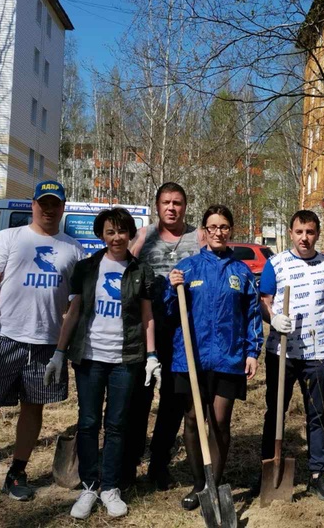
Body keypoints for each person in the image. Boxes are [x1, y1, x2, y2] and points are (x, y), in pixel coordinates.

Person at [0, 181, 85, 521]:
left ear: (63, 207)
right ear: (33, 204)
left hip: (45, 346)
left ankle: (16, 473)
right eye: (43, 203)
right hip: (4, 340)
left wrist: (61, 351)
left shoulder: (73, 249)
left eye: (55, 204)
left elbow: (75, 306)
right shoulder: (9, 238)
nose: (49, 210)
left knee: (33, 407)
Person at [44, 207, 159, 519]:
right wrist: (59, 351)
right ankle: (89, 485)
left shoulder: (140, 270)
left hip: (126, 358)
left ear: (130, 233)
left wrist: (151, 356)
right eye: (110, 231)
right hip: (90, 358)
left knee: (117, 424)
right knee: (89, 422)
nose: (117, 237)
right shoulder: (86, 268)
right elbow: (74, 312)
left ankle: (110, 487)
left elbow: (147, 317)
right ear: (101, 235)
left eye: (122, 231)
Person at [165, 204, 263, 511]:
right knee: (193, 420)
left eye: (223, 227)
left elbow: (252, 315)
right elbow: (170, 313)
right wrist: (171, 289)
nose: (218, 232)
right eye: (212, 227)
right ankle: (199, 485)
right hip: (191, 358)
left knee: (220, 421)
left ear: (230, 230)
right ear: (204, 231)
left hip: (228, 358)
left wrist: (252, 352)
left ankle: (215, 482)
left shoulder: (241, 272)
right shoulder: (188, 268)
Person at [256, 210, 324, 502]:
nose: (304, 238)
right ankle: (268, 466)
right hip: (281, 352)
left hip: (316, 352)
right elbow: (264, 301)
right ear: (291, 232)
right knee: (275, 411)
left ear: (317, 234)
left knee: (317, 414)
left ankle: (318, 475)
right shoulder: (276, 264)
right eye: (299, 232)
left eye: (310, 232)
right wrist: (272, 318)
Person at [124, 182, 203, 489]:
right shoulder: (143, 237)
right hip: (145, 331)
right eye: (167, 202)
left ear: (185, 206)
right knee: (138, 399)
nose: (172, 208)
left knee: (172, 402)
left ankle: (159, 465)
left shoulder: (198, 238)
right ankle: (129, 465)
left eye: (178, 203)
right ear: (157, 206)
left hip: (181, 333)